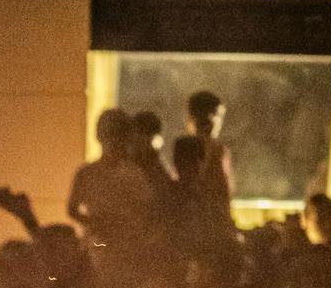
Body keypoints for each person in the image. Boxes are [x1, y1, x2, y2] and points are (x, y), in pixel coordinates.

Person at [67, 109, 156, 250]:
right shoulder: (134, 174)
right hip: (121, 246)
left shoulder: (87, 173)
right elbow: (147, 210)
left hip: (103, 245)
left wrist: (96, 222)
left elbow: (72, 209)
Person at [171, 90, 235, 249]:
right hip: (210, 231)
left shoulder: (185, 147)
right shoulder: (217, 151)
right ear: (211, 118)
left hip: (191, 229)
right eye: (219, 117)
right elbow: (221, 192)